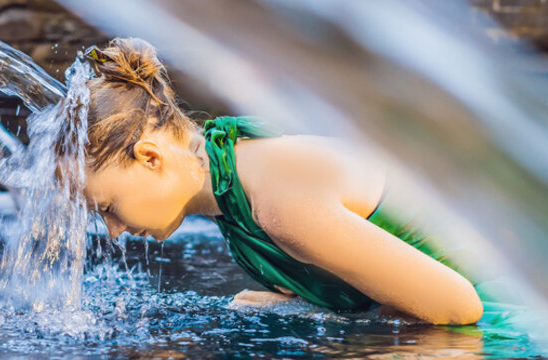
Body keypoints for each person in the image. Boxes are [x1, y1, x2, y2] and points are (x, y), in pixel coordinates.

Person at [79, 37, 483, 325]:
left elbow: (460, 307)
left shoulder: (279, 207)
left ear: (150, 157)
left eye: (108, 207)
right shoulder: (237, 174)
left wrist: (329, 323)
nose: (114, 232)